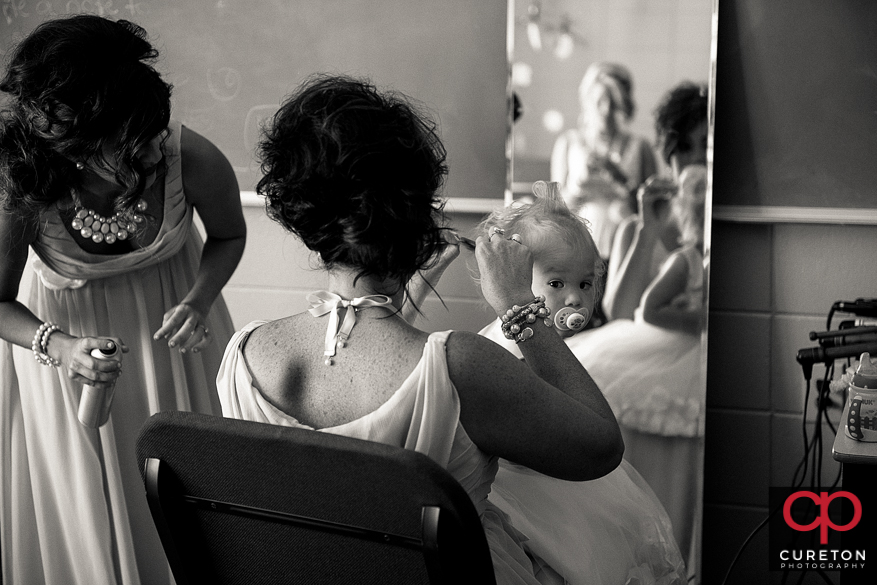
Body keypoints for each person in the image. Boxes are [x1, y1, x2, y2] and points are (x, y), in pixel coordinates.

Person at [215, 74, 624, 584]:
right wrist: (521, 308)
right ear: (418, 215)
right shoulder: (463, 365)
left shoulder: (243, 355)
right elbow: (601, 447)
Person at [0, 16, 246, 584]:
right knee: (91, 496)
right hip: (66, 350)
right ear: (83, 148)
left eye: (157, 132)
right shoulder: (24, 188)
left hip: (176, 336)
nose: (158, 150)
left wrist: (199, 300)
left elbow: (230, 235)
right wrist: (58, 347)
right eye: (135, 143)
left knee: (190, 491)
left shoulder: (190, 156)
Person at [478, 181, 687, 585]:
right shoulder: (519, 349)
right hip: (532, 496)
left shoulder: (541, 342)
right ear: (510, 282)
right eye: (556, 284)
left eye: (585, 284)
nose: (575, 299)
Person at [602, 81, 708, 322]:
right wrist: (647, 233)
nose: (696, 158)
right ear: (668, 154)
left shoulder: (728, 231)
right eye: (683, 147)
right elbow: (618, 317)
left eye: (706, 145)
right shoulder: (634, 229)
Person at [550, 62, 659, 259]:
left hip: (628, 250)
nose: (606, 110)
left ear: (624, 104)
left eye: (614, 103)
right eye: (600, 101)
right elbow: (553, 212)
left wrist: (621, 180)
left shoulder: (640, 146)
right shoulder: (568, 143)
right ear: (587, 100)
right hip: (576, 251)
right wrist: (578, 185)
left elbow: (654, 211)